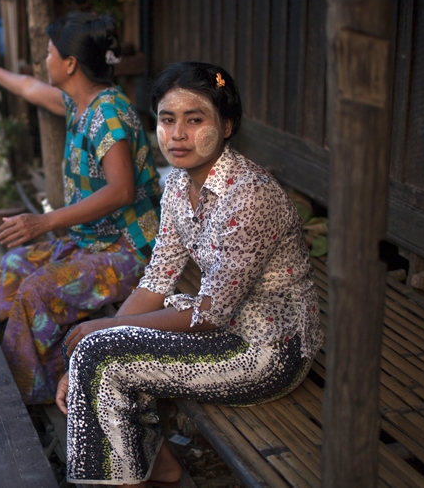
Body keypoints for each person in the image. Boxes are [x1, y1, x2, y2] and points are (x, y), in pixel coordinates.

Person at [54, 62, 324, 487]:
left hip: (267, 350)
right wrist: (105, 333)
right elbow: (158, 278)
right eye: (166, 119)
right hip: (220, 328)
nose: (177, 134)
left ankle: (125, 476)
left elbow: (210, 315)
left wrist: (105, 331)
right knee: (99, 351)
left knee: (101, 352)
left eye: (194, 120)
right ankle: (152, 465)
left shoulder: (248, 197)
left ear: (228, 125)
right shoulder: (179, 185)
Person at [0, 13, 161, 405]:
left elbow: (122, 189)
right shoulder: (79, 104)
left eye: (49, 52)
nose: (45, 59)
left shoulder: (108, 115)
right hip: (92, 242)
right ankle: (9, 364)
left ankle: (29, 397)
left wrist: (44, 221)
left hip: (128, 251)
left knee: (36, 291)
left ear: (70, 63)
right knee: (13, 267)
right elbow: (29, 87)